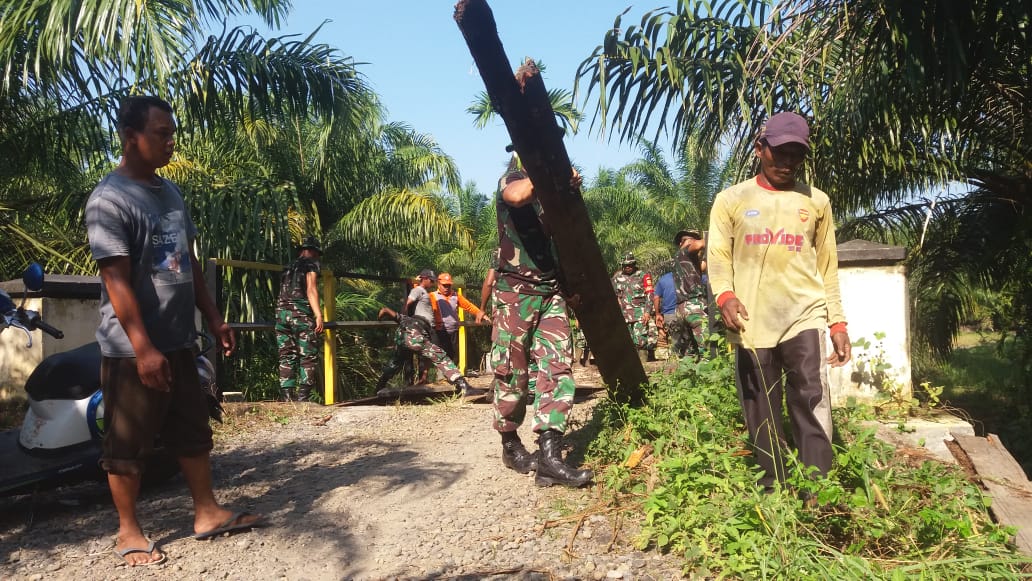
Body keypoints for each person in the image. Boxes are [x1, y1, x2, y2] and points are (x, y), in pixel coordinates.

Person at [85, 95, 263, 567]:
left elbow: (188, 264)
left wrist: (215, 316)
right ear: (131, 138)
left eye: (171, 133)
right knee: (127, 443)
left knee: (192, 428)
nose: (170, 142)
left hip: (180, 338)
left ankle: (206, 512)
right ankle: (129, 531)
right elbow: (116, 281)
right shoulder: (109, 200)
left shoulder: (170, 193)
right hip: (132, 349)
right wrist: (143, 348)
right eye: (162, 133)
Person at [707, 111, 851, 491]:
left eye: (796, 155)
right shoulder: (731, 200)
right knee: (762, 413)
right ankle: (775, 489)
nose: (787, 163)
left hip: (803, 316)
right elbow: (719, 257)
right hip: (751, 322)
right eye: (779, 152)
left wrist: (837, 322)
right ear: (760, 148)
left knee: (810, 399)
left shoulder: (816, 202)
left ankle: (817, 492)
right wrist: (724, 294)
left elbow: (828, 267)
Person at [489, 153, 593, 488]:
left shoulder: (550, 197)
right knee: (513, 375)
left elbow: (552, 243)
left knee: (557, 367)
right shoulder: (513, 180)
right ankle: (510, 444)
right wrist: (548, 177)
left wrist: (566, 190)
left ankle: (550, 456)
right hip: (514, 295)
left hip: (550, 292)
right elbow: (517, 196)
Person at [375, 269, 484, 396]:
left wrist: (389, 312)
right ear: (425, 279)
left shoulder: (421, 301)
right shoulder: (420, 292)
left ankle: (379, 386)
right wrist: (406, 309)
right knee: (440, 356)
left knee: (395, 362)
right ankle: (464, 387)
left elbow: (399, 315)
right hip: (414, 332)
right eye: (431, 281)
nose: (432, 283)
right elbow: (409, 301)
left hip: (404, 332)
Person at [274, 236, 324, 402]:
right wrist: (318, 314)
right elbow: (311, 289)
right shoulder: (311, 264)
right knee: (308, 355)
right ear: (313, 251)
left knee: (286, 354)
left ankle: (287, 397)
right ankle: (303, 397)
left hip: (281, 314)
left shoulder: (289, 266)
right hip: (299, 313)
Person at [669, 229, 709, 359]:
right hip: (694, 305)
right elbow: (699, 244)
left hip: (681, 308)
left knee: (688, 355)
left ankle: (690, 376)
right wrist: (715, 236)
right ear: (686, 241)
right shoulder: (686, 250)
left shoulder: (681, 258)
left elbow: (703, 267)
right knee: (707, 350)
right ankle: (707, 377)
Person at [429, 272, 484, 365]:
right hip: (440, 331)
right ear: (438, 284)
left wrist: (479, 313)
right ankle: (442, 377)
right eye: (444, 285)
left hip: (453, 330)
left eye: (449, 285)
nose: (447, 288)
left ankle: (450, 377)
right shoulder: (432, 296)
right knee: (440, 355)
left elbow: (468, 306)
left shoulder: (456, 295)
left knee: (453, 355)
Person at [611, 252, 655, 361]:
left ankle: (644, 364)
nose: (628, 267)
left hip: (640, 313)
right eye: (625, 265)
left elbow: (649, 294)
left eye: (630, 264)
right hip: (623, 314)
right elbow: (613, 296)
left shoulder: (643, 275)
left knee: (641, 340)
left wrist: (647, 312)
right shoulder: (617, 278)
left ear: (634, 263)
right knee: (626, 342)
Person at [651, 269, 677, 357]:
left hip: (670, 314)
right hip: (686, 309)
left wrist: (657, 313)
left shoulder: (663, 279)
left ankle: (679, 360)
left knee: (676, 340)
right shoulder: (690, 274)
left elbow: (656, 297)